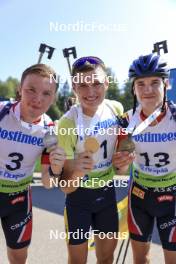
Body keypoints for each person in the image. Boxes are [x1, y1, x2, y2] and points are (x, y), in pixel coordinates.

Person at [57, 56, 124, 264]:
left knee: (106, 258)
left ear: (106, 83)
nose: (90, 91)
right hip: (78, 199)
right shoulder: (66, 123)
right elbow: (65, 187)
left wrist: (123, 161)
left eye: (96, 83)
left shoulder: (116, 109)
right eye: (83, 85)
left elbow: (120, 167)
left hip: (107, 195)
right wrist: (76, 172)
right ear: (74, 88)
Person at [113, 53, 176, 264]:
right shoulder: (125, 122)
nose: (147, 90)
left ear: (166, 84)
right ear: (134, 88)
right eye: (141, 84)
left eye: (154, 83)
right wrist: (120, 164)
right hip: (139, 197)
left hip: (172, 197)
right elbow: (120, 171)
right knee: (140, 259)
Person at [0, 64, 65, 264]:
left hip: (18, 198)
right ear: (20, 89)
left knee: (19, 257)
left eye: (46, 93)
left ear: (53, 97)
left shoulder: (50, 130)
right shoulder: (2, 111)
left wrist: (55, 168)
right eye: (31, 90)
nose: (38, 99)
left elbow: (47, 182)